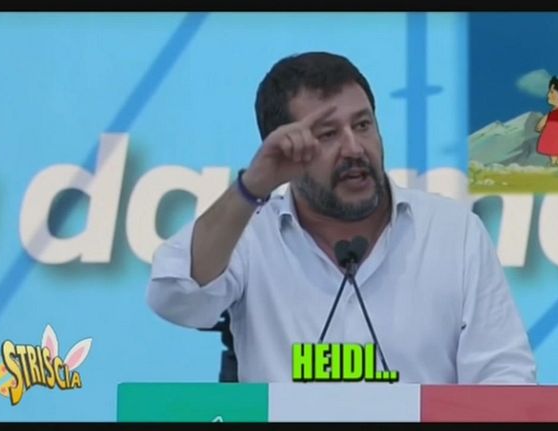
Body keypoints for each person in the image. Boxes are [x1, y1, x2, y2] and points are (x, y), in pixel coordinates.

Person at [146, 51, 536, 384]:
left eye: (363, 125)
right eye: (327, 134)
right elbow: (176, 298)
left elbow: (506, 378)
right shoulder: (249, 236)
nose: (354, 148)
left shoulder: (453, 233)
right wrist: (252, 187)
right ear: (282, 149)